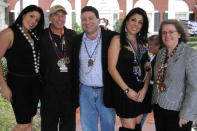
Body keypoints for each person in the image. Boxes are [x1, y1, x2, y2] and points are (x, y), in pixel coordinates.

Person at [73, 6, 118, 131]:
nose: (87, 22)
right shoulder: (76, 41)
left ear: (98, 20)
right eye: (84, 19)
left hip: (106, 90)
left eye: (91, 18)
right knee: (87, 127)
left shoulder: (111, 37)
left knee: (108, 126)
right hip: (85, 91)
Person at [0, 5, 44, 131]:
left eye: (37, 20)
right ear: (23, 14)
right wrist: (3, 86)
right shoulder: (9, 33)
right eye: (31, 16)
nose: (33, 21)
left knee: (29, 122)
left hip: (34, 83)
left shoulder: (33, 34)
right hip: (18, 84)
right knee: (23, 123)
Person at [108, 7, 152, 131]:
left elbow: (148, 68)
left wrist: (145, 89)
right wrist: (127, 90)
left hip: (141, 91)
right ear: (126, 21)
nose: (136, 24)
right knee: (129, 127)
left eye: (140, 22)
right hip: (124, 91)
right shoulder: (117, 40)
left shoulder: (142, 42)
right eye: (133, 20)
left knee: (137, 125)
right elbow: (111, 69)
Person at [152, 19, 197, 131]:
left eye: (171, 32)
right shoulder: (161, 53)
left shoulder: (190, 54)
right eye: (164, 32)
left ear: (179, 34)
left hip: (178, 111)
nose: (167, 35)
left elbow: (194, 87)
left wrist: (186, 113)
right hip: (159, 107)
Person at [39, 5, 78, 131]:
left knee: (68, 126)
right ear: (50, 17)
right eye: (56, 15)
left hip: (69, 92)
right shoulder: (42, 36)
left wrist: (103, 29)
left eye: (63, 15)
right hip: (49, 92)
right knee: (48, 126)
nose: (60, 19)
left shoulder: (72, 35)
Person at [140, 35, 161, 127]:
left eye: (151, 45)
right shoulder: (154, 56)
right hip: (150, 91)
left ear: (158, 46)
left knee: (141, 117)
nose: (148, 47)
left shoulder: (159, 58)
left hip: (152, 93)